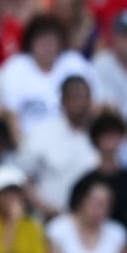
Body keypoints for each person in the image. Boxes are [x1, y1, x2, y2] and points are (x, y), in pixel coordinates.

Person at [18, 75, 99, 219]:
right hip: (49, 219)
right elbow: (24, 179)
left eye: (85, 97)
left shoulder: (99, 135)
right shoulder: (41, 134)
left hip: (92, 222)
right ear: (63, 101)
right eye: (75, 98)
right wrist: (46, 210)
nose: (81, 103)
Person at [46, 177, 127, 253]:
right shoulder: (58, 228)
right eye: (95, 202)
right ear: (82, 201)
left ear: (110, 209)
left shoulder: (117, 233)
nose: (98, 209)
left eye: (104, 205)